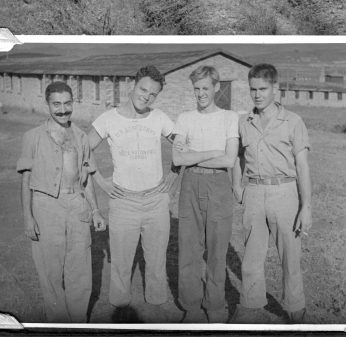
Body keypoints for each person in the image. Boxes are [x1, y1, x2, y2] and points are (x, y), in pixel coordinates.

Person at [88, 65, 179, 322]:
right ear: (132, 85)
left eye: (153, 94)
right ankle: (119, 306)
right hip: (123, 201)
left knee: (157, 258)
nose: (146, 97)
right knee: (120, 260)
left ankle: (157, 305)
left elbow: (183, 144)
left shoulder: (159, 117)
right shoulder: (108, 118)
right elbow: (83, 148)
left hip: (156, 200)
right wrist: (101, 181)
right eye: (143, 89)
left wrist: (173, 174)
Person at [17, 80, 106, 324]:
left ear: (72, 104)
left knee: (80, 269)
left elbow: (86, 179)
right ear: (47, 104)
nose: (62, 110)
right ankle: (57, 323)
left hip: (77, 205)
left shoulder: (80, 137)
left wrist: (96, 210)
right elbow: (25, 181)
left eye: (67, 103)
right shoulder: (32, 137)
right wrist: (28, 216)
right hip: (46, 207)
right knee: (50, 271)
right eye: (56, 104)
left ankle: (77, 323)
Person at [231, 63, 312, 325]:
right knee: (252, 255)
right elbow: (237, 158)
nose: (257, 94)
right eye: (253, 89)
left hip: (284, 192)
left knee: (290, 256)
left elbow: (302, 165)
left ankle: (294, 308)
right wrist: (237, 184)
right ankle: (250, 305)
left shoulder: (293, 121)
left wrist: (306, 206)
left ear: (275, 88)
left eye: (263, 89)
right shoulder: (244, 121)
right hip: (254, 191)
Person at [171, 66, 239, 324]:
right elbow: (178, 158)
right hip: (190, 184)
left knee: (217, 250)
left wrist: (195, 156)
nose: (200, 93)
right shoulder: (185, 118)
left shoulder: (229, 117)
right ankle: (191, 307)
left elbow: (230, 160)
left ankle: (214, 305)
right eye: (196, 88)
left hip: (219, 186)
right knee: (189, 248)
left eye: (205, 88)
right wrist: (213, 152)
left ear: (216, 87)